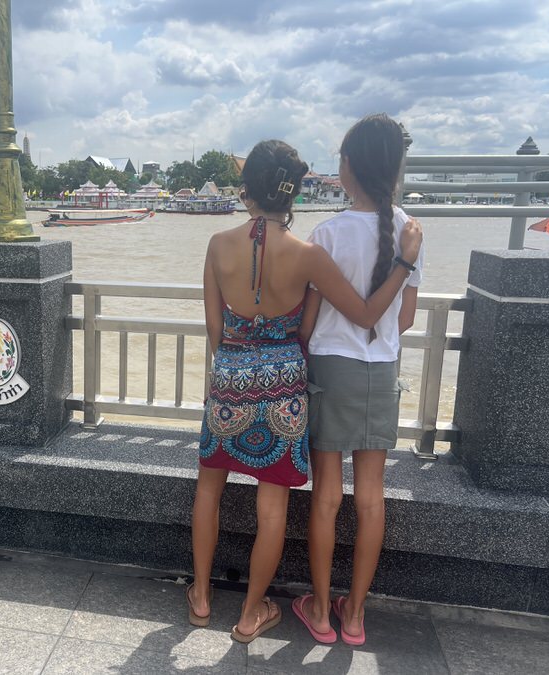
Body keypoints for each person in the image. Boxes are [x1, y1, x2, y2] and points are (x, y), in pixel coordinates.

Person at [187, 139, 422, 643]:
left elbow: (214, 329)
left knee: (208, 490)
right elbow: (361, 315)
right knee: (270, 509)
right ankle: (251, 615)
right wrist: (403, 265)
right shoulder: (308, 254)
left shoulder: (217, 244)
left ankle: (202, 598)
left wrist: (233, 366)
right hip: (282, 390)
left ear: (247, 187)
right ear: (291, 194)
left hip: (229, 378)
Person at [295, 113, 424, 646]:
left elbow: (307, 324)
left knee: (326, 495)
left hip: (333, 369)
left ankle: (321, 612)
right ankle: (354, 618)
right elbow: (406, 319)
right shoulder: (411, 232)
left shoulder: (326, 233)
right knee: (371, 497)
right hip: (382, 371)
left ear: (349, 169)